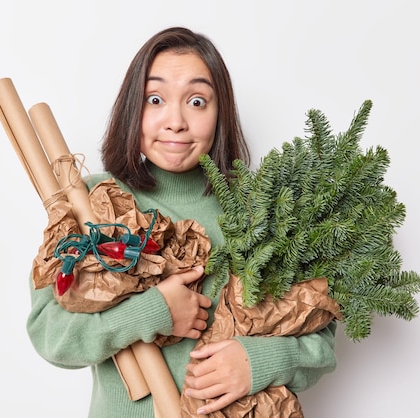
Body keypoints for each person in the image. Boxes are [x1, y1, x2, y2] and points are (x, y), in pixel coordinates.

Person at [27, 26, 337, 417]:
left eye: (196, 101)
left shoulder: (263, 210)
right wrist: (153, 312)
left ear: (220, 111)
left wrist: (259, 361)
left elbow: (322, 339)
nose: (175, 121)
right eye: (155, 99)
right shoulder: (94, 202)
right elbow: (50, 334)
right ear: (132, 109)